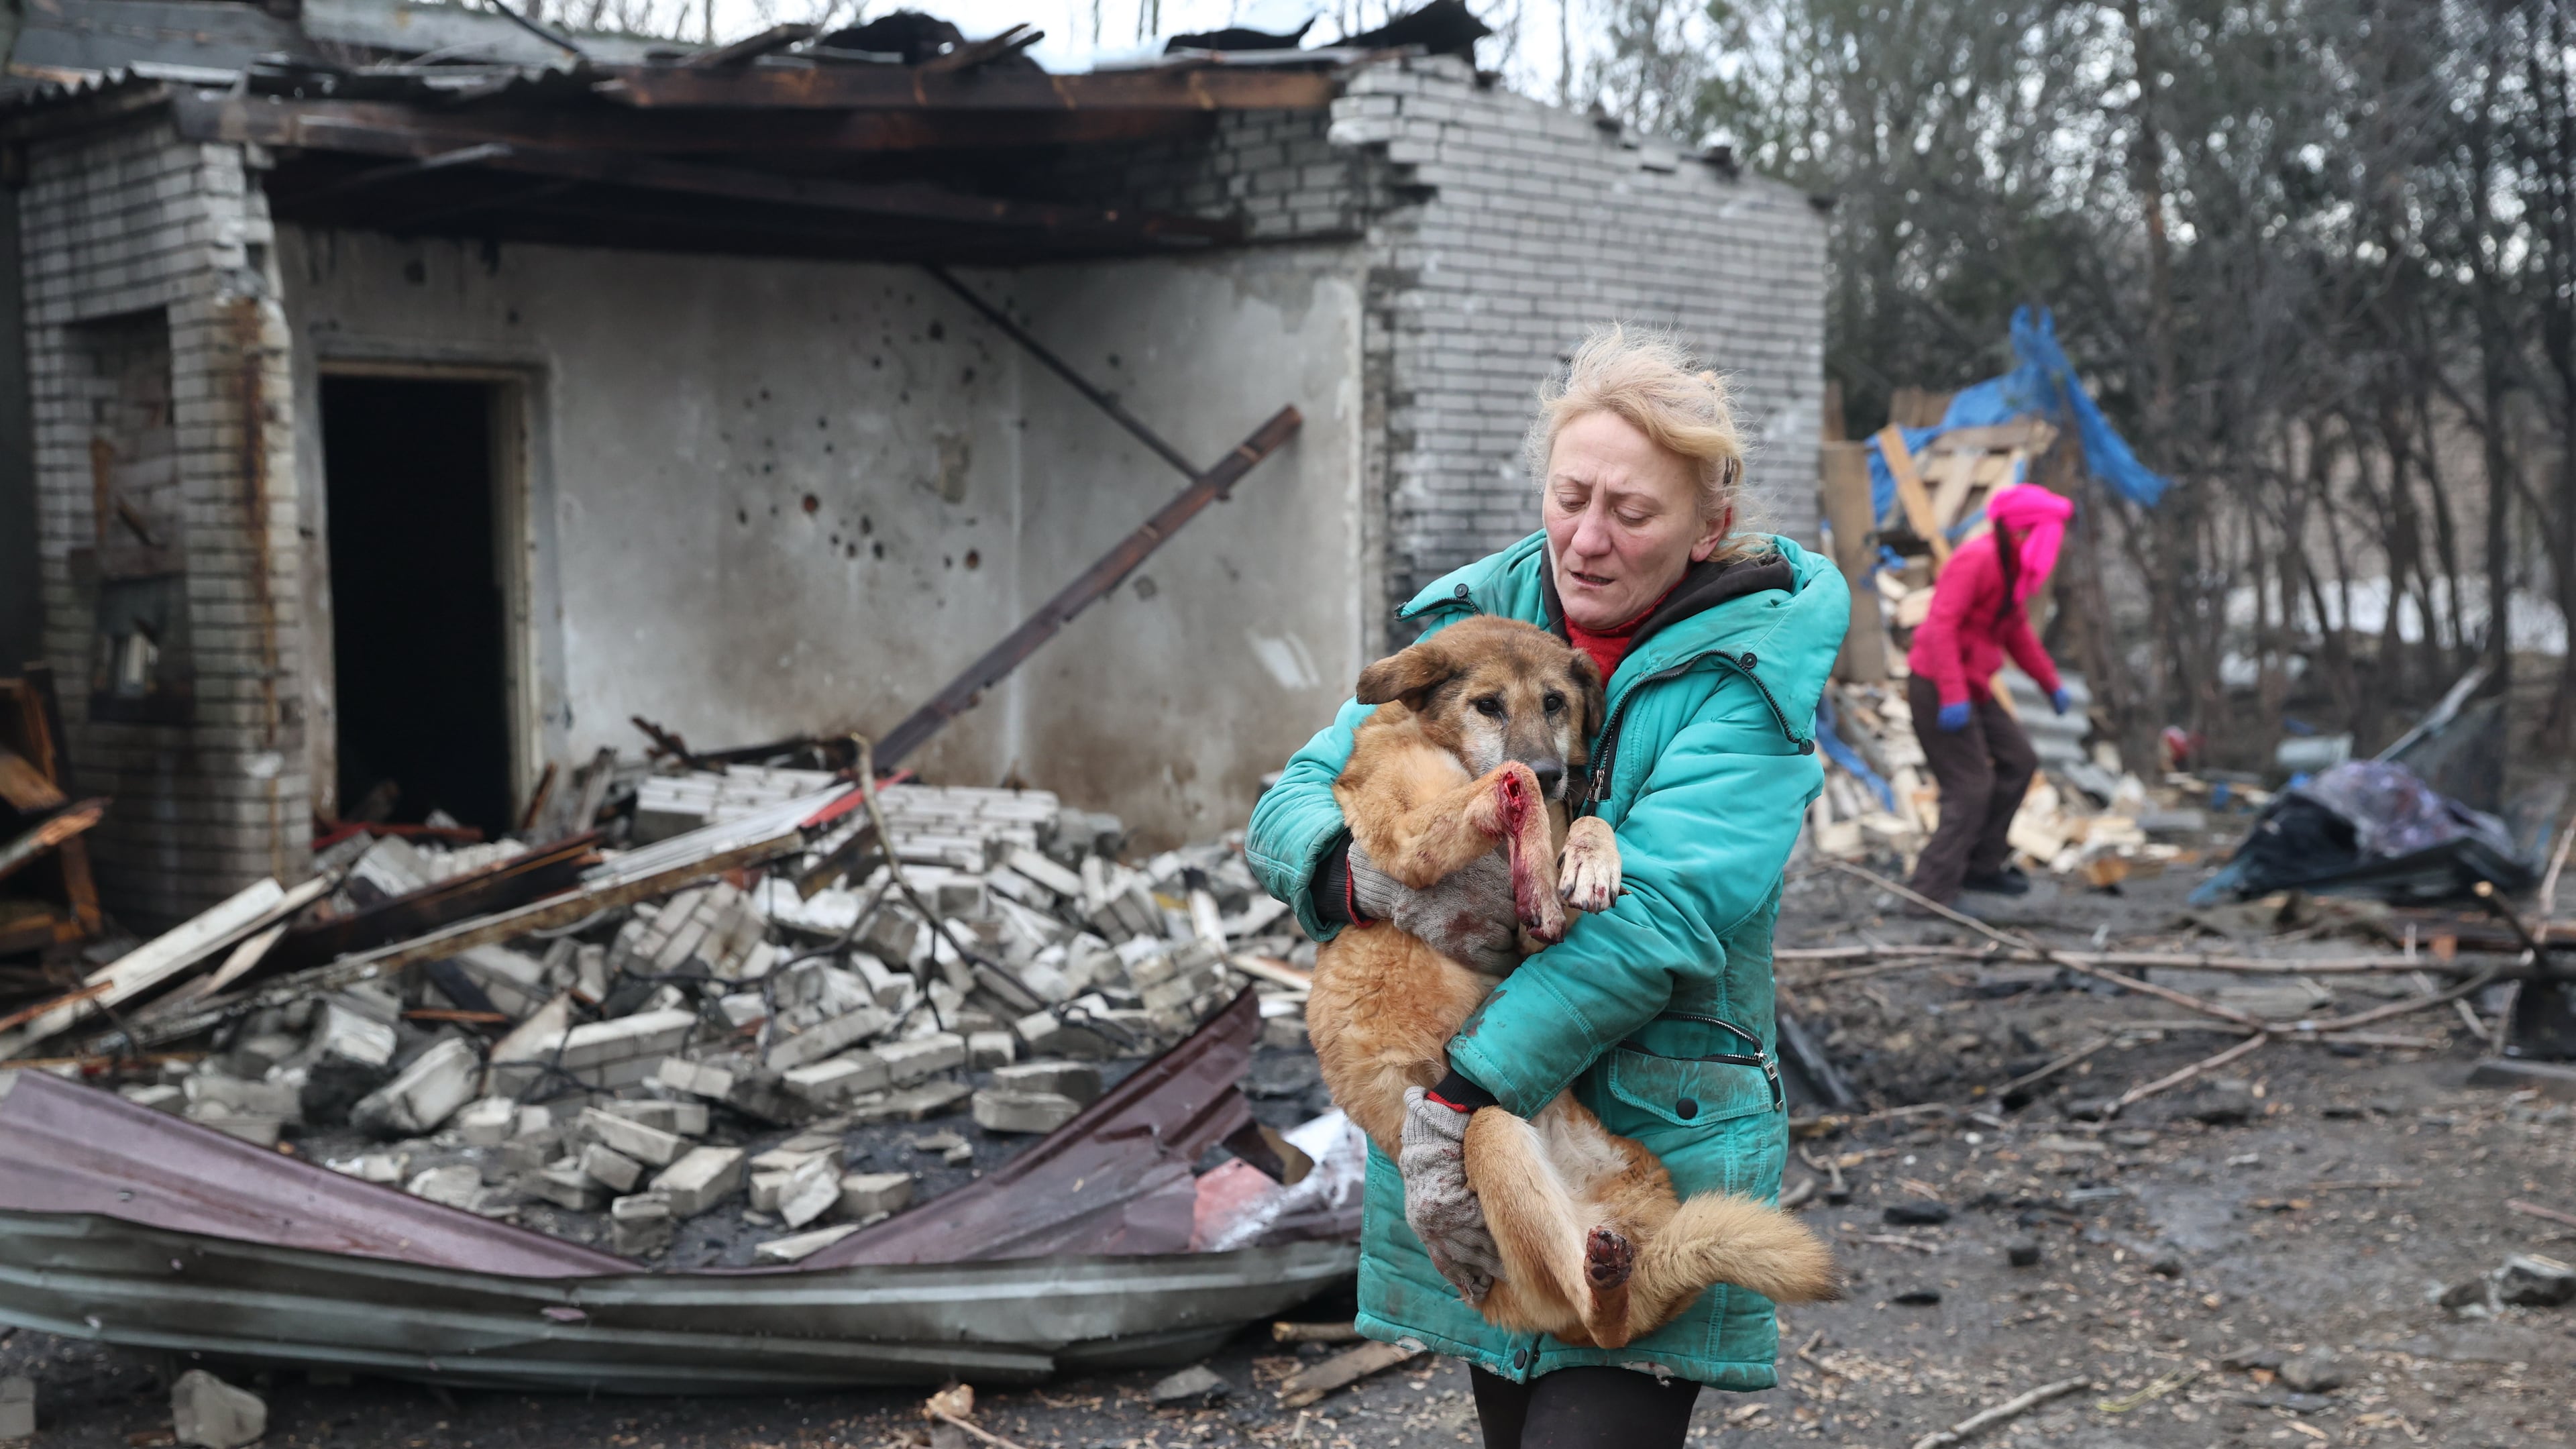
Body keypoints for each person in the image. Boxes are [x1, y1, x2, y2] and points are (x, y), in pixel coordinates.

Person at [1248, 328, 1850, 1449]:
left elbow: (1657, 924)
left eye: (1633, 512)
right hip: (1470, 1128)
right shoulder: (1480, 620)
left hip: (1635, 1133)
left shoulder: (1749, 684)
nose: (1586, 537)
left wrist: (1466, 1093)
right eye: (1570, 496)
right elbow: (1292, 797)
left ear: (1708, 528)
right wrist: (1358, 874)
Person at [1902, 482, 2078, 906]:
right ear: (2023, 531)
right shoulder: (1976, 560)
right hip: (1938, 685)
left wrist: (2050, 682)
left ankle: (1981, 869)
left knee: (2021, 762)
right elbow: (1940, 627)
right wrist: (1952, 694)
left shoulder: (2010, 566)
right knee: (1970, 787)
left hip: (1974, 686)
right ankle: (1929, 891)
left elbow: (2014, 631)